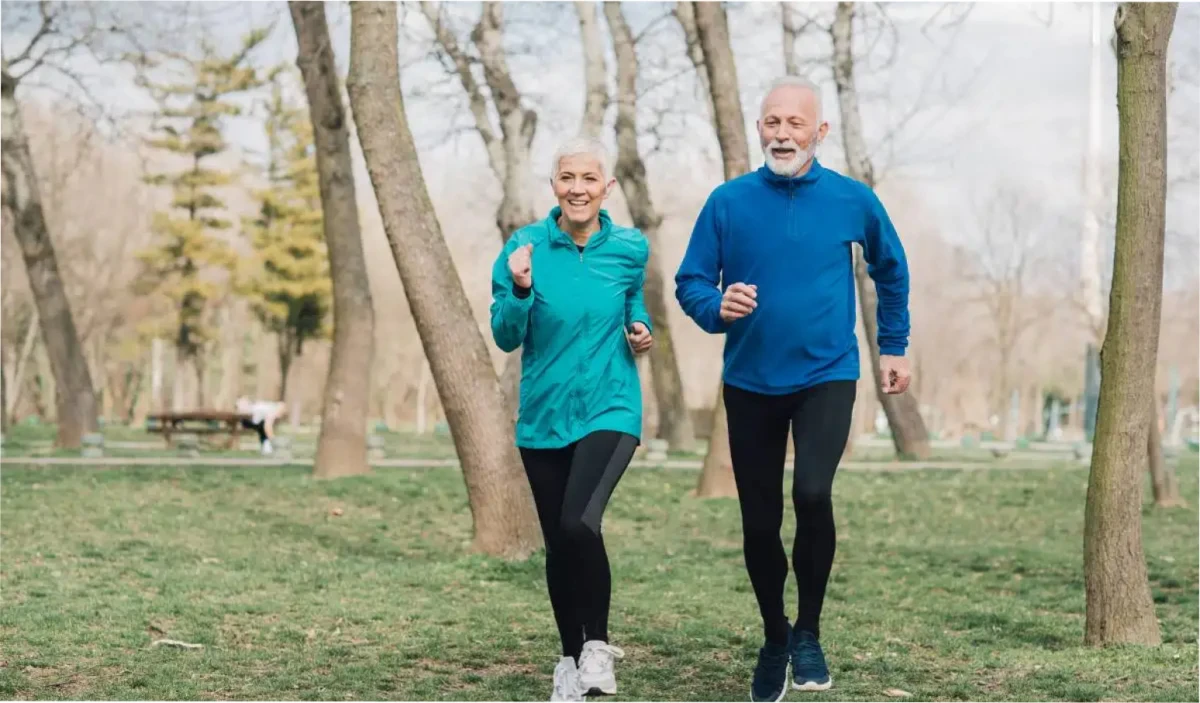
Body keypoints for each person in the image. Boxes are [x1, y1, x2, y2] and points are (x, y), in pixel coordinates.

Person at [674, 75, 912, 701]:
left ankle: (808, 631)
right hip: (749, 381)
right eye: (772, 122)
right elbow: (690, 280)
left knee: (812, 492)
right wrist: (716, 306)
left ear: (819, 131)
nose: (783, 134)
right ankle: (774, 636)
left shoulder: (852, 200)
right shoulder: (727, 202)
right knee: (759, 521)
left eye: (795, 123)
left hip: (826, 375)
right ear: (760, 128)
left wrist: (893, 344)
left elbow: (892, 269)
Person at [489, 135, 654, 701]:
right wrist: (520, 288)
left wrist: (640, 327)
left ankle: (597, 647)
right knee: (560, 543)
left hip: (611, 405)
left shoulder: (629, 247)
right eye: (567, 178)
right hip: (543, 416)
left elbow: (632, 299)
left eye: (589, 179)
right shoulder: (525, 247)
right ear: (554, 185)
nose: (578, 189)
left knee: (580, 523)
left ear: (607, 187)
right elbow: (506, 335)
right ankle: (567, 661)